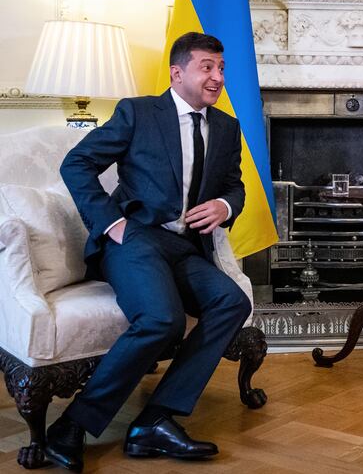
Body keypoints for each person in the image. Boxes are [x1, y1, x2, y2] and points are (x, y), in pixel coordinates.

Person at [46, 32, 252, 472]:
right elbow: (76, 163)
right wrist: (110, 222)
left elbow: (234, 185)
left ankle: (154, 422)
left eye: (221, 68)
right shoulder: (138, 112)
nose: (217, 77)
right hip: (134, 238)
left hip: (183, 246)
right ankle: (70, 426)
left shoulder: (227, 128)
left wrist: (225, 204)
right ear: (178, 73)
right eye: (207, 67)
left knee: (232, 301)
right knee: (162, 320)